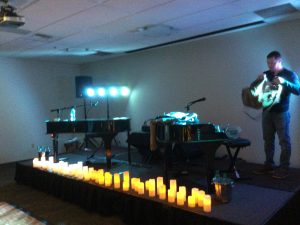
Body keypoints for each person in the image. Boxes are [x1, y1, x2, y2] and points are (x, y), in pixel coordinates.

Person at [253, 51, 300, 179]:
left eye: (272, 63)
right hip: (267, 112)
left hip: (281, 113)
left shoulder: (289, 74)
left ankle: (284, 168)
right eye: (268, 62)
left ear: (279, 61)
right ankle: (269, 165)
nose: (270, 65)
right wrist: (257, 81)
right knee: (268, 140)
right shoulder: (267, 74)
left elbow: (298, 90)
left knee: (284, 141)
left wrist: (284, 81)